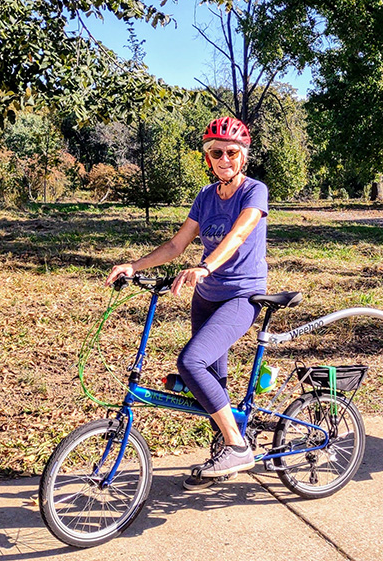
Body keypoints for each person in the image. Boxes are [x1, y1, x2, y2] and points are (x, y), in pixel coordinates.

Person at [105, 116, 268, 490]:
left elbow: (240, 233)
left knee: (190, 362)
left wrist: (206, 265)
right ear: (207, 158)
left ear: (243, 156)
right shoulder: (206, 197)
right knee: (212, 380)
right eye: (216, 153)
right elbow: (177, 245)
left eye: (231, 152)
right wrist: (134, 265)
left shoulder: (254, 191)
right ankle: (225, 455)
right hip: (207, 298)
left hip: (242, 295)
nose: (224, 158)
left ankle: (237, 446)